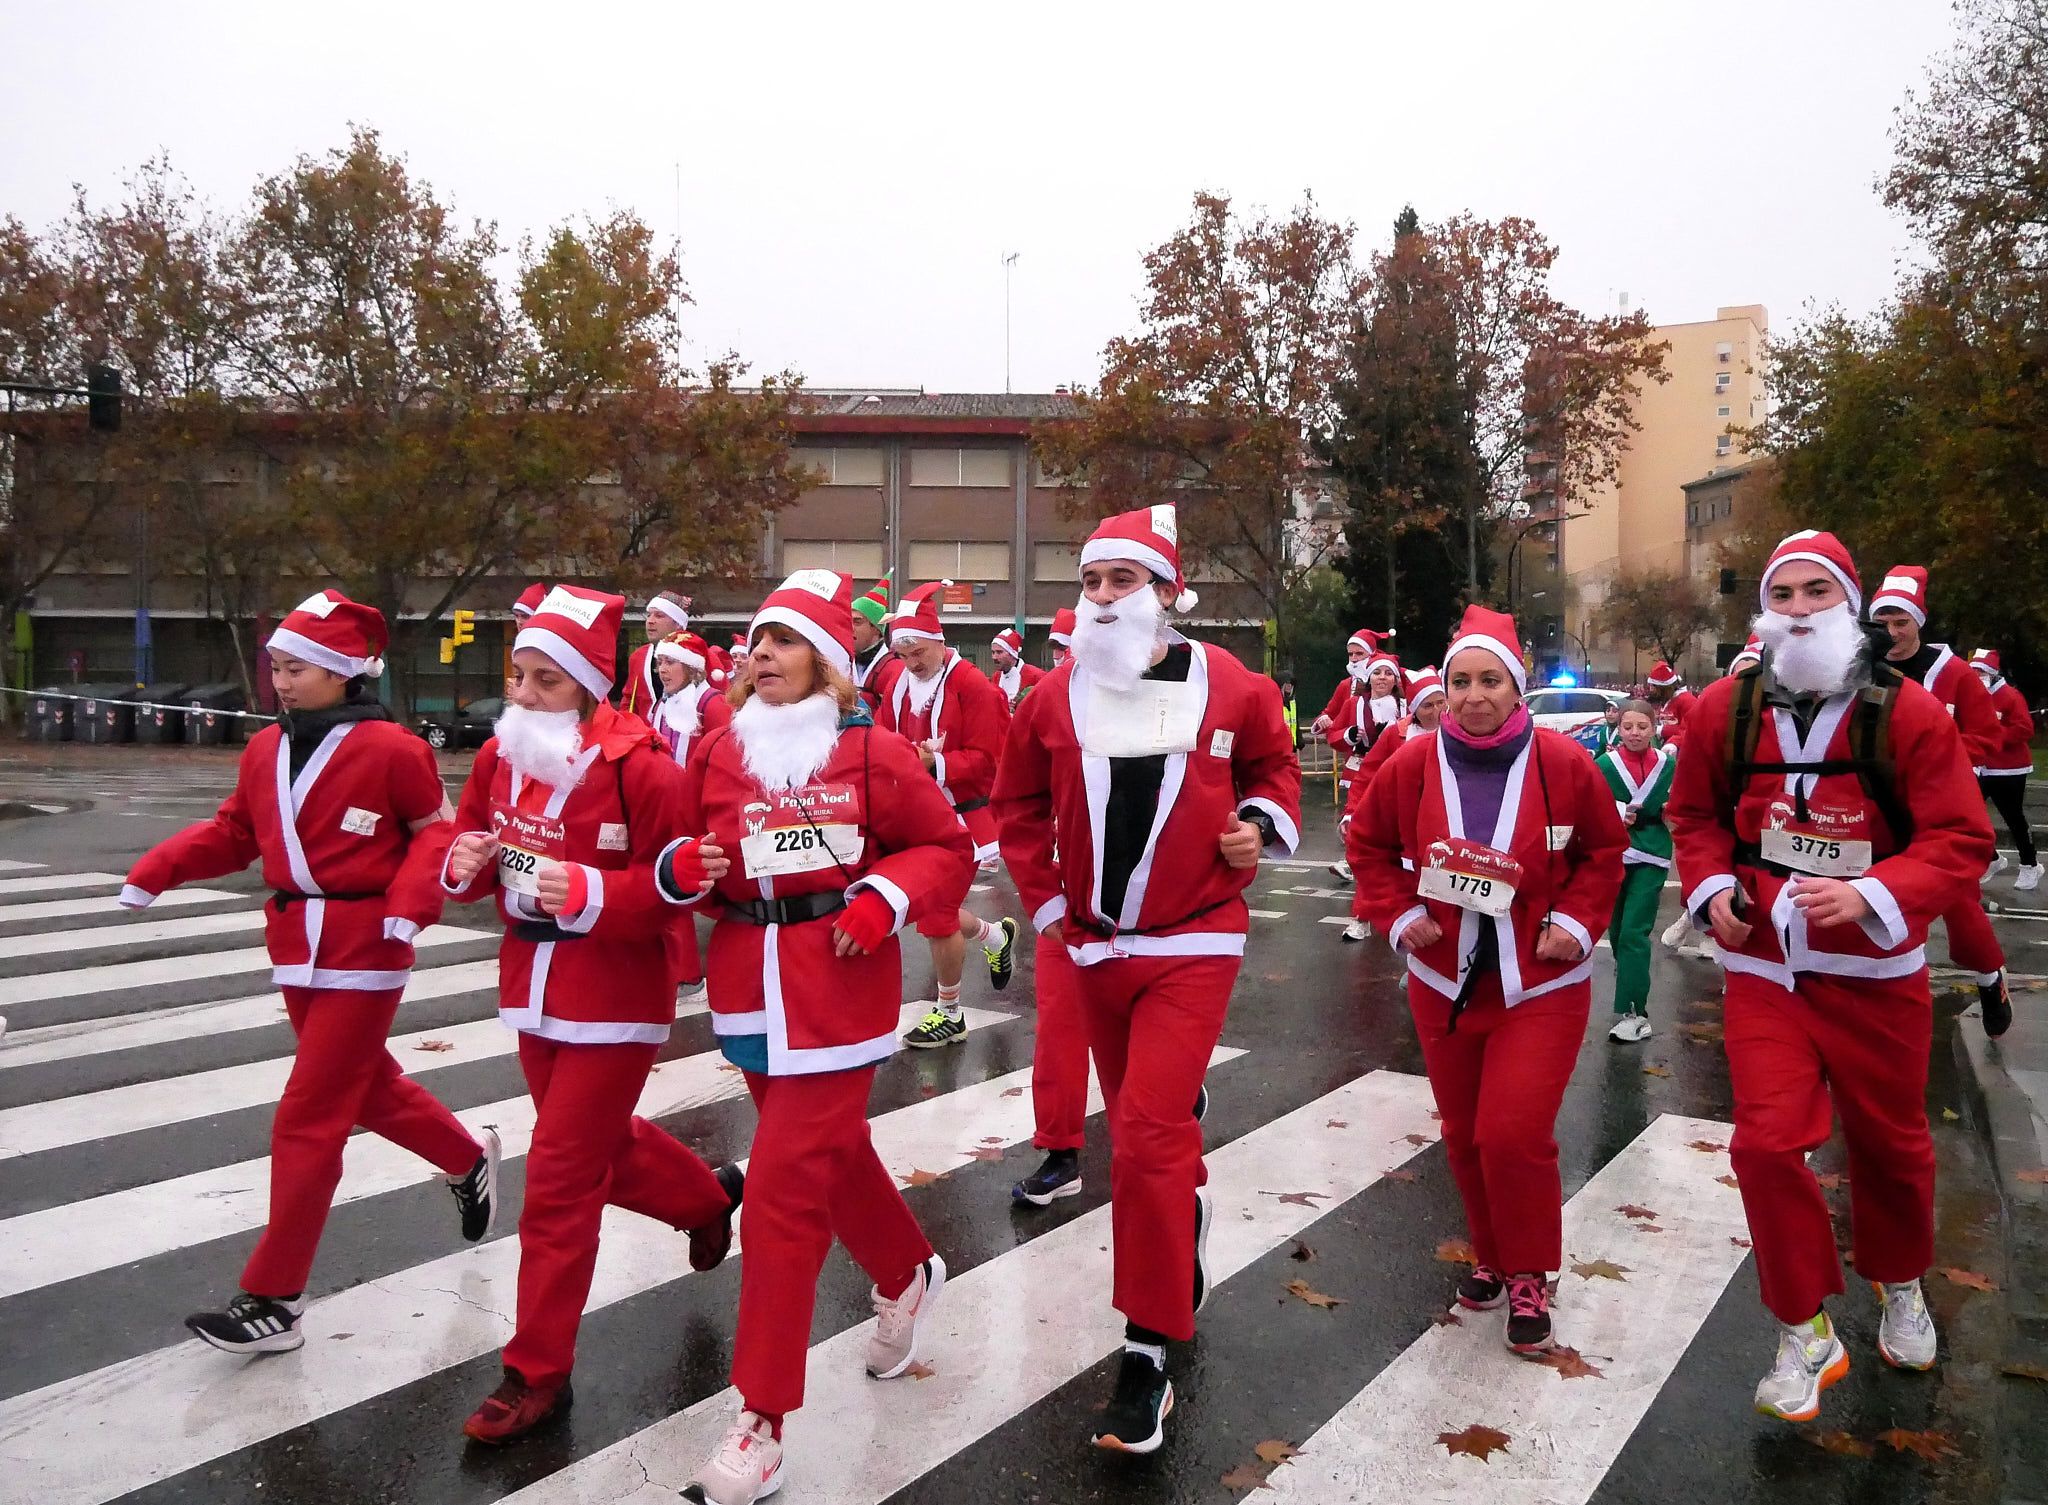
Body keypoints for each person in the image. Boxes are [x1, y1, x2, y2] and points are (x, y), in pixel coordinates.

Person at [655, 569, 975, 1505]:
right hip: (750, 991)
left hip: (837, 989)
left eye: (785, 642)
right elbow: (682, 858)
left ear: (833, 666)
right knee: (831, 1156)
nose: (762, 655)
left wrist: (883, 897)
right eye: (756, 640)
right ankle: (907, 1269)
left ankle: (761, 1419)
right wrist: (685, 869)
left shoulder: (872, 751)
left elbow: (944, 846)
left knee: (786, 1188)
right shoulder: (718, 749)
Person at [994, 504, 1302, 1453]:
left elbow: (1276, 768)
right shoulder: (1053, 697)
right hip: (1092, 946)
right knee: (1150, 1137)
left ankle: (1148, 1345)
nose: (1101, 598)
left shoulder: (1234, 684)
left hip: (1194, 939)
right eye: (1090, 582)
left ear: (1167, 594)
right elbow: (1015, 807)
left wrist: (1257, 821)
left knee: (1145, 1136)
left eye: (1121, 581)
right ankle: (1184, 1223)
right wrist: (1047, 909)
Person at [1665, 530, 1991, 1424]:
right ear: (1765, 611)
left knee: (1891, 1146)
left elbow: (1961, 839)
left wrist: (1876, 893)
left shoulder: (1912, 713)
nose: (1801, 610)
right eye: (1786, 594)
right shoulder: (1721, 711)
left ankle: (1899, 1281)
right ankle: (1804, 1323)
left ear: (1849, 605)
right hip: (1766, 966)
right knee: (1766, 1143)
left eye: (1819, 593)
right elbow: (1691, 812)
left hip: (1877, 973)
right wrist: (1711, 887)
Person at [122, 590, 497, 1354]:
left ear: (339, 673)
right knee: (365, 1087)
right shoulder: (265, 748)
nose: (281, 682)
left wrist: (411, 902)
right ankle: (467, 1159)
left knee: (309, 1113)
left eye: (295, 668)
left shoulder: (394, 748)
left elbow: (437, 834)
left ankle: (277, 1296)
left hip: (366, 946)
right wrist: (161, 866)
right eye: (276, 668)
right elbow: (236, 832)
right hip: (296, 941)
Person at [442, 585, 742, 1444]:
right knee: (601, 1148)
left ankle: (536, 1372)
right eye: (519, 676)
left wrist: (592, 891)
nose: (524, 694)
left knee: (563, 1178)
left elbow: (685, 883)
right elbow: (465, 841)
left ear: (585, 682)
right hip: (531, 989)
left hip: (615, 1000)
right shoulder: (503, 756)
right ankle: (705, 1198)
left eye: (544, 679)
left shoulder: (643, 765)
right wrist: (464, 862)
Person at [1352, 604, 1626, 1357]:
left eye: (1491, 680)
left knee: (1513, 1133)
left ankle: (1530, 1270)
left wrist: (1575, 922)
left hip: (1539, 985)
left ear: (1518, 686)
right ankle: (1492, 1254)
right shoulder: (1411, 763)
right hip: (1442, 981)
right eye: (1461, 681)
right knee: (1465, 1134)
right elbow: (1367, 844)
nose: (1474, 695)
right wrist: (1398, 915)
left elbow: (1605, 852)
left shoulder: (1564, 764)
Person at [1869, 565, 2013, 1035]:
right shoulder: (1862, 670)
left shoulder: (1953, 674)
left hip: (1940, 810)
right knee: (1868, 900)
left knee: (1960, 905)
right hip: (1877, 811)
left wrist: (1939, 759)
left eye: (1900, 622)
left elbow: (1988, 736)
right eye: (1883, 623)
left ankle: (1991, 978)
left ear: (1917, 622)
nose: (1891, 633)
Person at [878, 581, 1019, 1048]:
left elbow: (989, 762)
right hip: (917, 817)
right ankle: (994, 937)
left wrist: (933, 763)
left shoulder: (973, 688)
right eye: (904, 654)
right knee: (928, 911)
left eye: (918, 652)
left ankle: (950, 1012)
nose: (911, 663)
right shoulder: (900, 685)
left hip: (964, 820)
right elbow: (883, 738)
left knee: (936, 914)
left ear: (940, 642)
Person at [650, 629, 730, 1008]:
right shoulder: (661, 705)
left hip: (698, 811)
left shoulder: (710, 704)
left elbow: (730, 753)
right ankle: (680, 970)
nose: (662, 669)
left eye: (671, 662)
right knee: (668, 888)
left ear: (693, 669)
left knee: (692, 891)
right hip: (665, 808)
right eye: (661, 661)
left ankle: (692, 973)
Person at [1338, 666, 1446, 941]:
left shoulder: (1458, 732)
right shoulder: (1396, 734)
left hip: (1441, 822)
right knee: (1379, 867)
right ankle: (1361, 919)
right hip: (1399, 819)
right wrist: (1352, 813)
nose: (1435, 712)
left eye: (1440, 703)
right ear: (1413, 708)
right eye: (1426, 706)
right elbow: (1368, 775)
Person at [1596, 700, 1674, 1042]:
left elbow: (1687, 801)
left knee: (1633, 932)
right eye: (1628, 726)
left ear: (1654, 727)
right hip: (1615, 853)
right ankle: (1629, 972)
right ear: (1619, 727)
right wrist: (1615, 811)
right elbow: (1590, 804)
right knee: (1615, 929)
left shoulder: (1668, 765)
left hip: (1653, 854)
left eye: (1642, 726)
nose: (1635, 733)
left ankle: (1634, 1012)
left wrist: (1675, 810)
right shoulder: (1604, 765)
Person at [1971, 648, 2039, 896]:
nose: (1976, 675)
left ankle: (2030, 864)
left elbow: (2024, 729)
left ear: (1991, 672)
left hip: (2010, 770)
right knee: (1969, 816)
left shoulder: (2010, 696)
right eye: (1973, 671)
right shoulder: (1974, 695)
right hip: (1982, 767)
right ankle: (1993, 859)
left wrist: (1994, 736)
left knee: (2013, 819)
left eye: (1980, 671)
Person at [617, 589, 694, 720]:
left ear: (677, 623)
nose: (650, 621)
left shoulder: (696, 656)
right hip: (645, 736)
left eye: (659, 616)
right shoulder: (639, 656)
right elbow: (629, 702)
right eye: (649, 615)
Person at [850, 575, 901, 713]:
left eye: (857, 622)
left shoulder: (896, 669)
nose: (850, 628)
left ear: (876, 629)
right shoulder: (842, 664)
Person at [991, 626, 1045, 708]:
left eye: (999, 652)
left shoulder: (1036, 676)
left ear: (1012, 654)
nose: (994, 657)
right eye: (993, 652)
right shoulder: (996, 677)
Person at [1646, 661, 1696, 745]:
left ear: (1664, 688)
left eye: (1653, 686)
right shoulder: (1666, 699)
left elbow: (1690, 731)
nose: (1650, 690)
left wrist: (1661, 730)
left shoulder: (1687, 701)